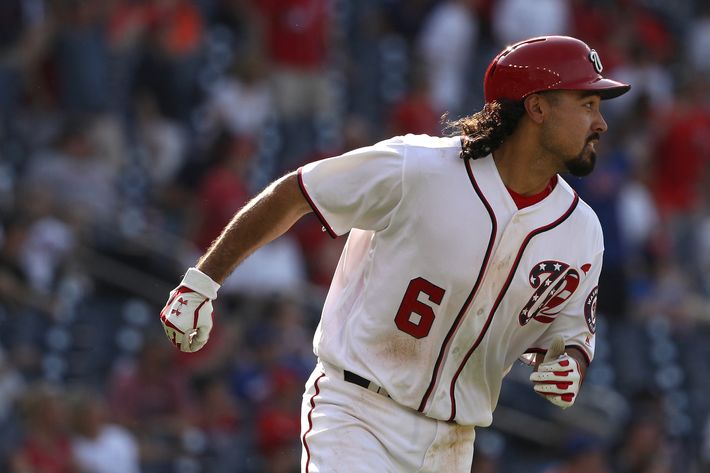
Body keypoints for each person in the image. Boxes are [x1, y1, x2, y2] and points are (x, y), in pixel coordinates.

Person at [160, 35, 630, 472]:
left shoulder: (581, 230)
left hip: (453, 442)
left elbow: (571, 333)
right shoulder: (420, 168)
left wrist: (570, 363)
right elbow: (296, 192)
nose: (601, 122)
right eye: (587, 103)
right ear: (538, 108)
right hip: (357, 411)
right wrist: (202, 280)